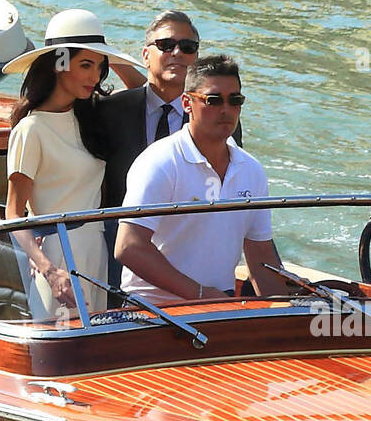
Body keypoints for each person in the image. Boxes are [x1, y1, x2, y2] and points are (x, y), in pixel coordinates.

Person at [1, 9, 141, 317]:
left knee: (97, 351)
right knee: (65, 351)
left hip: (96, 249)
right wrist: (49, 270)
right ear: (58, 65)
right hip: (56, 256)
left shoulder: (89, 117)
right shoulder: (31, 129)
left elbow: (144, 96)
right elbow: (13, 214)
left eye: (100, 68)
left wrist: (107, 55)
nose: (95, 77)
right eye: (85, 65)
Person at [115, 55, 283, 301]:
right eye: (213, 100)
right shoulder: (160, 162)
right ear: (186, 103)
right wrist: (201, 295)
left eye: (235, 100)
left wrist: (287, 317)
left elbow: (261, 256)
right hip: (153, 309)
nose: (226, 110)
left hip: (217, 304)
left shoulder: (252, 169)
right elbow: (129, 247)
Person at [96, 10, 243, 208]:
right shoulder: (111, 110)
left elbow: (231, 182)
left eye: (188, 47)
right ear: (146, 56)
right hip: (120, 226)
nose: (177, 53)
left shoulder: (217, 113)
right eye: (165, 45)